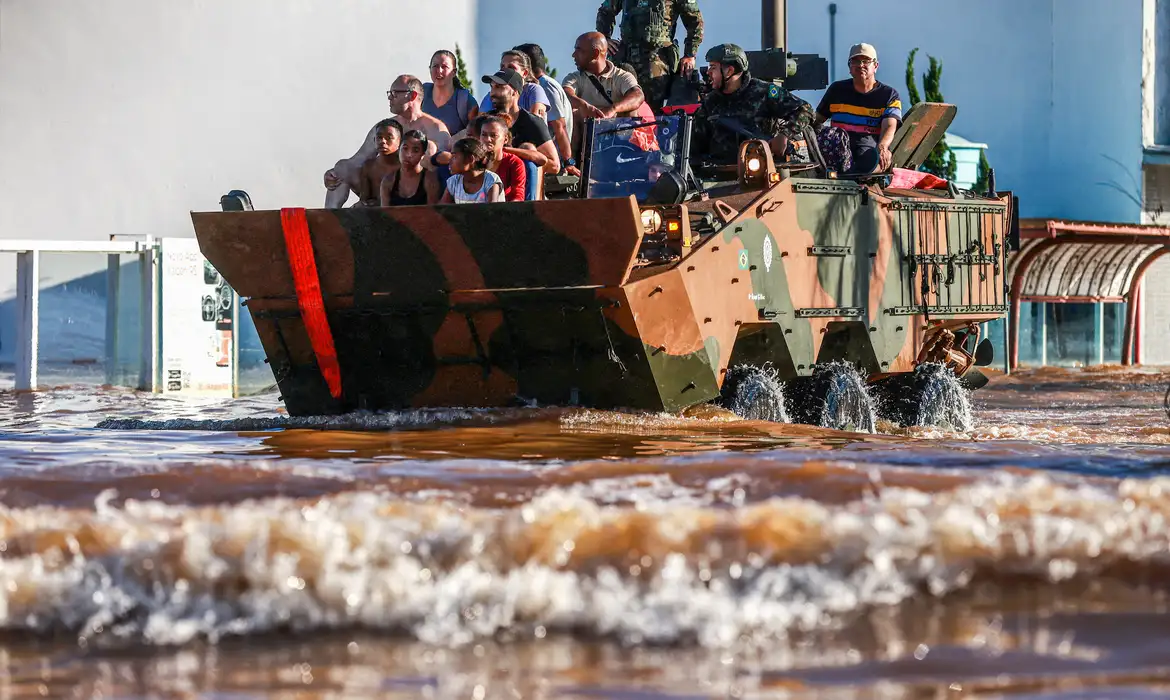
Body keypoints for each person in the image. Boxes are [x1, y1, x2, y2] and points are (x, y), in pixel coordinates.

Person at [322, 75, 452, 208]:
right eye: (389, 93)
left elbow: (445, 169)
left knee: (429, 147)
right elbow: (358, 160)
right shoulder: (386, 126)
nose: (390, 97)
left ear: (412, 96)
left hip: (416, 194)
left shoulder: (436, 128)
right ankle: (329, 219)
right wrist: (333, 173)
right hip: (381, 188)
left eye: (394, 93)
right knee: (341, 169)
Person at [692, 43, 814, 165]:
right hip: (718, 173)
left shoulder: (764, 92)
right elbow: (696, 143)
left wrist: (784, 134)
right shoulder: (710, 101)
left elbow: (805, 109)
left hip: (761, 171)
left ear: (729, 71)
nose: (708, 72)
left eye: (713, 67)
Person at [596, 0, 704, 111]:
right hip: (626, 56)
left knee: (651, 109)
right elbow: (605, 11)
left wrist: (690, 54)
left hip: (656, 59)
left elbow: (695, 22)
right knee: (619, 103)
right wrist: (605, 39)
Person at [814, 43, 902, 174]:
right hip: (836, 150)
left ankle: (872, 171)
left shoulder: (889, 95)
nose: (860, 65)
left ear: (875, 66)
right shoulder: (836, 90)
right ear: (849, 67)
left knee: (867, 159)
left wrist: (883, 147)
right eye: (855, 61)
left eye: (865, 61)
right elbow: (817, 120)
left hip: (866, 151)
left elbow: (889, 125)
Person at [483, 69, 561, 174]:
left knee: (528, 149)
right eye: (492, 87)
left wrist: (509, 153)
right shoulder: (485, 121)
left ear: (514, 92)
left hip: (522, 185)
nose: (492, 93)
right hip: (489, 183)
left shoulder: (532, 122)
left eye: (499, 87)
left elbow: (554, 165)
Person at [513, 43, 576, 173]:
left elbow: (560, 126)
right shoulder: (530, 87)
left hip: (550, 159)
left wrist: (568, 162)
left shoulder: (545, 86)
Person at [563, 32, 646, 123]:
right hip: (586, 132)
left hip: (616, 132)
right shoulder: (575, 77)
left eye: (579, 50)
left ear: (595, 53)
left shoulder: (621, 76)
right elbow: (565, 94)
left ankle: (629, 137)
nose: (573, 55)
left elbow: (638, 96)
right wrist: (584, 107)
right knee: (574, 113)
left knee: (631, 110)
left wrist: (613, 109)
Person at [478, 50, 550, 120]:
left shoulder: (533, 90)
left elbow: (535, 119)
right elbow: (480, 124)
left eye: (511, 67)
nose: (505, 70)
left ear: (525, 73)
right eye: (502, 66)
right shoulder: (492, 95)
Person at [380, 130, 441, 206]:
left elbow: (433, 212)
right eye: (405, 149)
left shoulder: (429, 179)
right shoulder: (388, 181)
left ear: (423, 155)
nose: (409, 155)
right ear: (399, 149)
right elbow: (384, 214)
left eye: (415, 151)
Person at [423, 49, 477, 135]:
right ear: (430, 69)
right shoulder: (422, 93)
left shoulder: (465, 101)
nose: (439, 71)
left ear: (454, 72)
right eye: (435, 66)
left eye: (444, 67)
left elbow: (476, 132)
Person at [477, 114, 527, 202]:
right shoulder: (473, 161)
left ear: (505, 139)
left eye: (493, 135)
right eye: (484, 135)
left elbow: (518, 195)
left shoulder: (514, 163)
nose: (488, 139)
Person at [441, 138, 503, 204]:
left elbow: (492, 210)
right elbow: (441, 209)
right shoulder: (454, 181)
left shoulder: (490, 180)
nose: (450, 161)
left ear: (471, 159)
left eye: (454, 157)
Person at [356, 119, 403, 206]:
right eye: (379, 137)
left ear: (400, 142)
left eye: (389, 137)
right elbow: (364, 199)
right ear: (374, 140)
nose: (383, 141)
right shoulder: (368, 166)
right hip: (375, 214)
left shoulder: (405, 167)